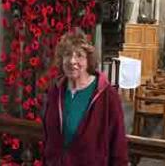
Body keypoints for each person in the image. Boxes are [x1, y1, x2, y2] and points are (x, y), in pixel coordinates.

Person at [43, 31, 128, 166]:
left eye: (79, 55)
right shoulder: (56, 91)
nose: (72, 61)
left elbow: (119, 148)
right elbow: (49, 138)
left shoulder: (107, 96)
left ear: (88, 60)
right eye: (67, 55)